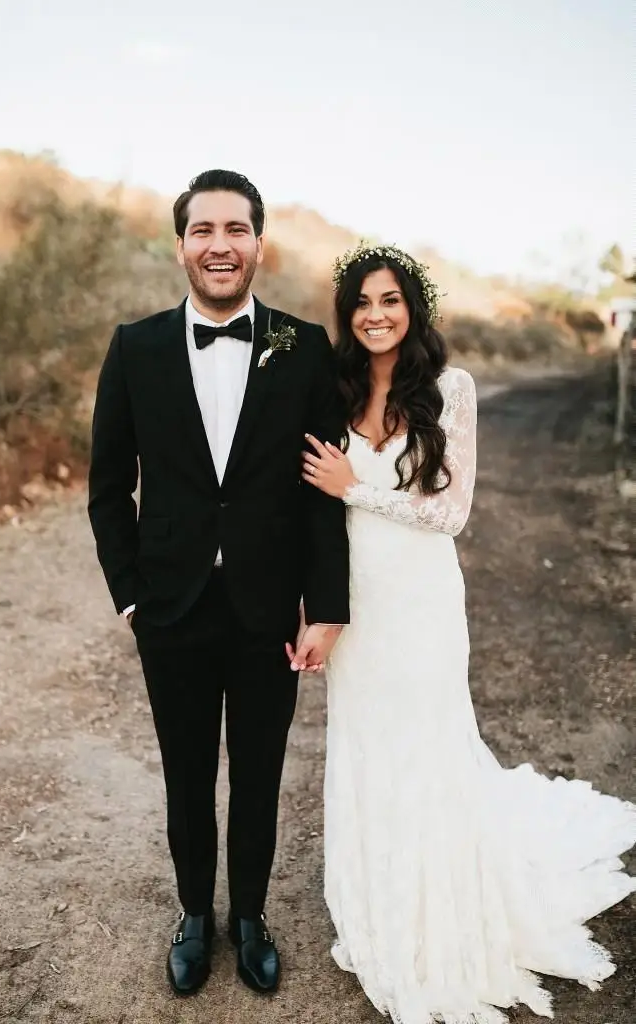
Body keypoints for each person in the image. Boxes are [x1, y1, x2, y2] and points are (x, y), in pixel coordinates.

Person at [303, 242, 636, 1024]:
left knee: (426, 747)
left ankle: (439, 914)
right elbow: (311, 511)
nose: (375, 315)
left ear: (412, 308)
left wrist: (360, 489)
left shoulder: (450, 388)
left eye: (389, 301)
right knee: (367, 749)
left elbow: (451, 514)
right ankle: (378, 900)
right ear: (346, 316)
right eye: (361, 304)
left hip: (418, 601)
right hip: (355, 603)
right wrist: (312, 606)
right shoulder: (334, 389)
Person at [87, 170, 349, 997]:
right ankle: (195, 917)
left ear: (258, 245)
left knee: (262, 774)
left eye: (236, 229)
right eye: (204, 230)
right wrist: (131, 594)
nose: (220, 245)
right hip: (171, 608)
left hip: (269, 611)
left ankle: (250, 919)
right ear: (181, 247)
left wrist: (327, 608)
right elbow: (105, 486)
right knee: (187, 773)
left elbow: (321, 494)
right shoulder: (135, 347)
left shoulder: (304, 348)